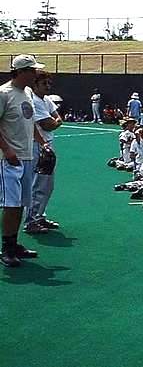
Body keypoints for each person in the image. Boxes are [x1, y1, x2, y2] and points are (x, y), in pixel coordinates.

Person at [0, 55, 46, 267]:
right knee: (11, 204)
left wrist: (42, 143)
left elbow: (31, 122)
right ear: (20, 72)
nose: (36, 74)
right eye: (32, 70)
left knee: (20, 203)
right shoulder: (4, 93)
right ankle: (6, 249)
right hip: (9, 159)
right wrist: (7, 150)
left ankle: (14, 243)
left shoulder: (27, 92)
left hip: (26, 156)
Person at [25, 71, 63, 233]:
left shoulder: (46, 99)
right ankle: (31, 220)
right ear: (35, 85)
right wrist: (56, 121)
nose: (47, 86)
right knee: (38, 183)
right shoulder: (33, 100)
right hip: (37, 145)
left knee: (47, 184)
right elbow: (48, 124)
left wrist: (56, 121)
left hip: (47, 144)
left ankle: (39, 216)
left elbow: (57, 118)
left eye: (49, 83)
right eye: (44, 83)